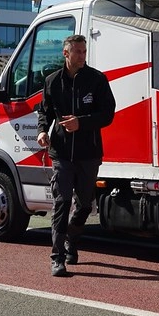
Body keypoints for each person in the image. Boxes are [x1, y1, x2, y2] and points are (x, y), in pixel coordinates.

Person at [37, 34, 116, 277]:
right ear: (66, 54)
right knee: (61, 202)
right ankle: (57, 257)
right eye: (78, 52)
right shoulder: (52, 81)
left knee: (84, 205)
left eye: (84, 51)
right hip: (60, 153)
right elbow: (45, 112)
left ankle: (72, 237)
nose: (82, 55)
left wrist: (81, 123)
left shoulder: (97, 80)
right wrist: (42, 132)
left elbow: (108, 114)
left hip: (89, 154)